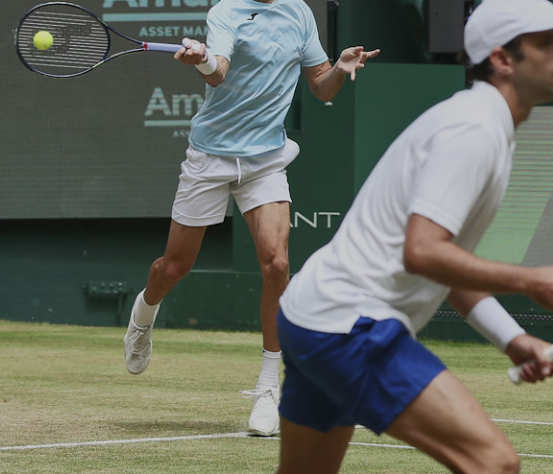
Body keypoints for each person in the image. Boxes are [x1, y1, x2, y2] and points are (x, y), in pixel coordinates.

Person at [246, 0, 553, 474]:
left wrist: (510, 336)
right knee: (492, 466)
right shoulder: (474, 129)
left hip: (312, 316)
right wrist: (530, 279)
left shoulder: (488, 126)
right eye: (546, 42)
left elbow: (445, 264)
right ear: (503, 59)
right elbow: (424, 252)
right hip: (352, 325)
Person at [123, 0, 380, 437]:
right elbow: (219, 71)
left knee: (277, 263)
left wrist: (338, 66)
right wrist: (203, 59)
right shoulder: (226, 12)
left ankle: (267, 389)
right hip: (211, 156)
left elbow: (322, 86)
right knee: (174, 267)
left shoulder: (299, 12)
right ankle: (143, 318)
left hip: (264, 160)